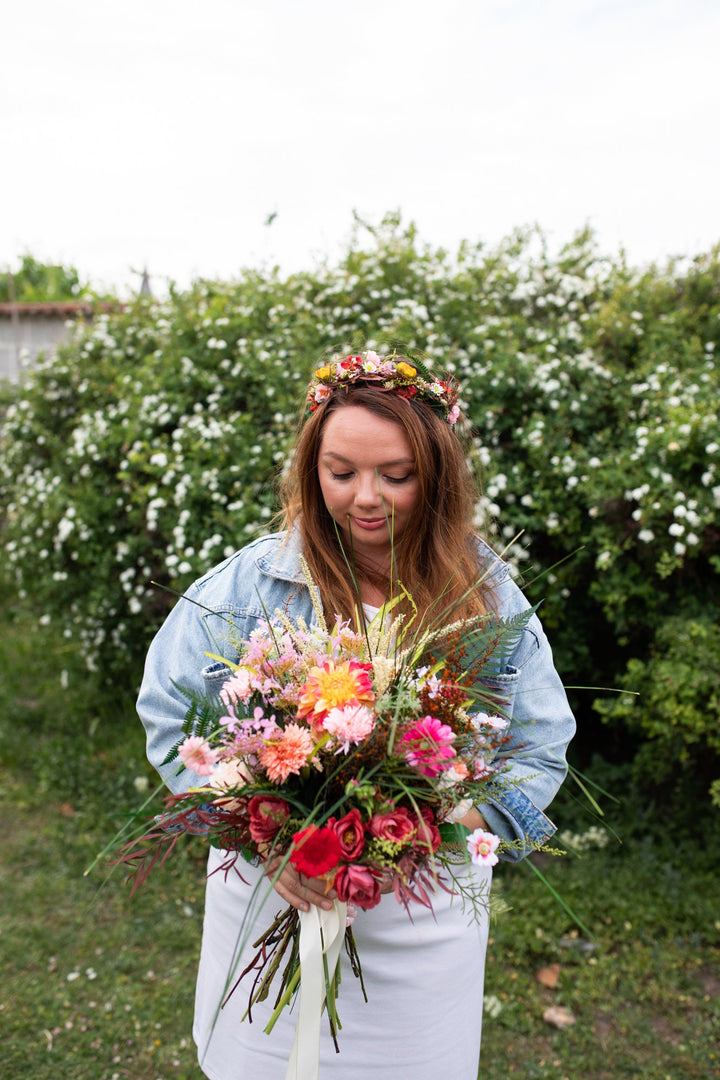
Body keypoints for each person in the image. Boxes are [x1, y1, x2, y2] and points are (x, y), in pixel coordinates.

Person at [137, 349, 576, 1080]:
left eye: (396, 475)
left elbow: (540, 747)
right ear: (312, 467)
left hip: (424, 918)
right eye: (340, 473)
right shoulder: (253, 582)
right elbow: (168, 713)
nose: (365, 498)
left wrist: (425, 828)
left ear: (436, 475)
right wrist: (263, 833)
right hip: (275, 895)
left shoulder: (487, 593)